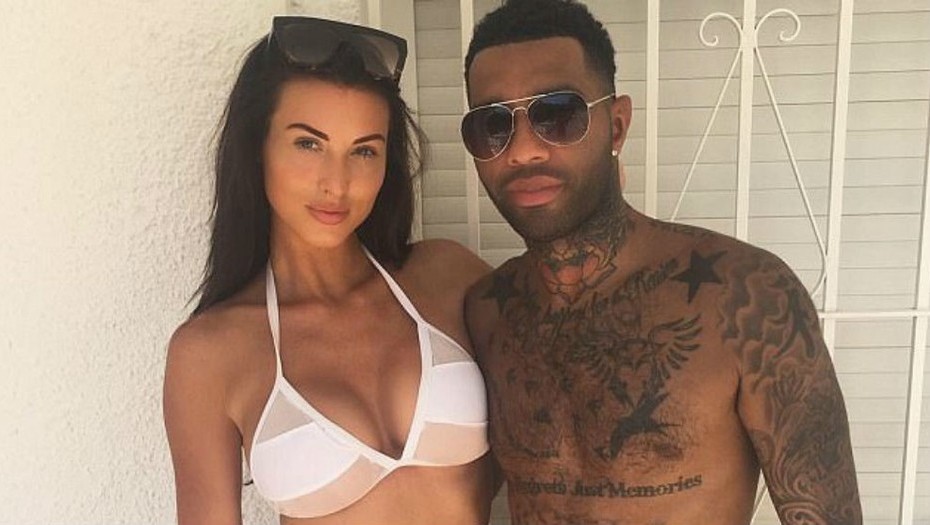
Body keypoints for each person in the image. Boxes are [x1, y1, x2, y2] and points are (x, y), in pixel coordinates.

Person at [461, 1, 862, 524]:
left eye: (557, 114)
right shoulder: (486, 312)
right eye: (492, 125)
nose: (522, 150)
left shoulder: (748, 298)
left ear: (617, 126)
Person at [164, 16, 495, 525]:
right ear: (257, 149)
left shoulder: (446, 276)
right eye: (309, 144)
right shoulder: (210, 354)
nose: (336, 184)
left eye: (364, 151)